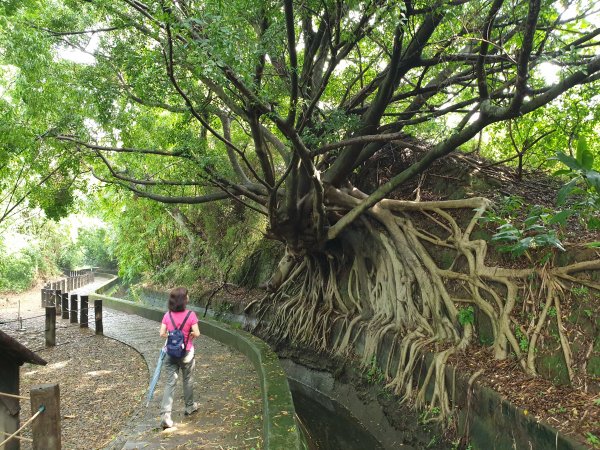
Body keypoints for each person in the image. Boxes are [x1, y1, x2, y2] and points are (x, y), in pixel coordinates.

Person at [159, 287, 201, 429]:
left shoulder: (167, 315)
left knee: (170, 383)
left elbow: (162, 333)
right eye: (187, 295)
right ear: (183, 299)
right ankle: (189, 407)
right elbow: (197, 332)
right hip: (187, 353)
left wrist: (172, 336)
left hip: (171, 353)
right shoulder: (191, 315)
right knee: (188, 379)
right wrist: (190, 336)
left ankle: (165, 415)